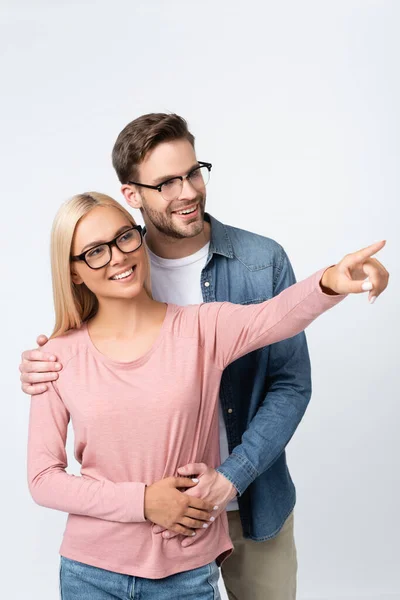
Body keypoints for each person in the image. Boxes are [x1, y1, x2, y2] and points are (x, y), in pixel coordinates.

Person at [20, 114, 388, 600]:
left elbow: (277, 324)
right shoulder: (62, 352)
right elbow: (44, 478)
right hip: (95, 564)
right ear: (134, 196)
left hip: (231, 516)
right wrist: (145, 501)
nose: (187, 191)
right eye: (166, 182)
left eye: (193, 173)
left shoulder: (218, 306)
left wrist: (330, 282)